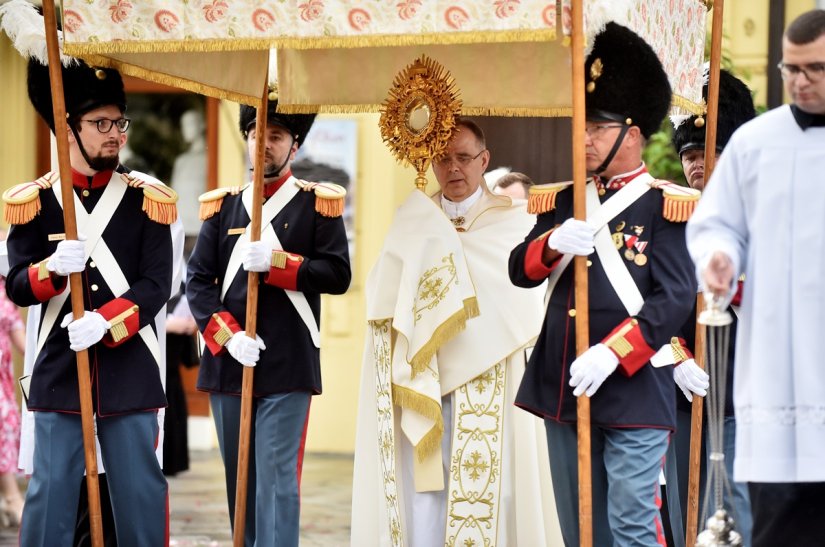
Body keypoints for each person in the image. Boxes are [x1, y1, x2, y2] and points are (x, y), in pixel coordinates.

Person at [509, 22, 698, 546]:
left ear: (631, 134)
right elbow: (519, 272)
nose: (584, 138)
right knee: (580, 530)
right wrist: (551, 247)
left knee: (632, 526)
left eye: (597, 128)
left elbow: (675, 296)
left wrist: (614, 353)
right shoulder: (566, 199)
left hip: (635, 388)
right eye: (582, 126)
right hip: (565, 385)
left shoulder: (666, 205)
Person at [351, 119, 560, 546]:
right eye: (443, 159)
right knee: (423, 492)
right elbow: (383, 300)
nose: (453, 168)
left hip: (495, 379)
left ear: (484, 160)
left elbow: (526, 306)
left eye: (464, 157)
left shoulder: (516, 225)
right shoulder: (412, 222)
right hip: (423, 379)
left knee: (496, 491)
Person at [3, 58, 179, 545]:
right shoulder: (34, 202)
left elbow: (155, 286)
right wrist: (51, 269)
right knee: (50, 497)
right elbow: (17, 283)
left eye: (119, 121)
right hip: (60, 370)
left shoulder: (150, 200)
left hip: (130, 370)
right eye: (100, 123)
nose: (115, 134)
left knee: (140, 498)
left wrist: (105, 322)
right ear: (69, 128)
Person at [686, 10, 825, 546]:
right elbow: (717, 223)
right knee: (777, 523)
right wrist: (719, 255)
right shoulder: (754, 143)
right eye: (791, 68)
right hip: (779, 365)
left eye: (813, 68)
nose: (799, 80)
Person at [186, 99, 351, 547]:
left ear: (294, 146)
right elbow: (198, 282)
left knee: (276, 478)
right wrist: (227, 335)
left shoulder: (319, 206)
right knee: (239, 480)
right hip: (229, 361)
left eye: (276, 135)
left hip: (287, 362)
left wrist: (278, 263)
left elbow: (337, 275)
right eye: (257, 132)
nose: (264, 143)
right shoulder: (223, 209)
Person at [664, 68, 756, 547]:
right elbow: (648, 304)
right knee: (683, 511)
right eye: (690, 155)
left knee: (733, 511)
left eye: (708, 153)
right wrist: (677, 361)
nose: (697, 165)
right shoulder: (669, 216)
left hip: (744, 386)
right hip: (682, 388)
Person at [0, 230, 26, 527]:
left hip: (2, 379)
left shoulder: (6, 291)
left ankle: (11, 498)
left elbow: (20, 339)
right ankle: (10, 499)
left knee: (6, 426)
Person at [171, 108, 208, 238]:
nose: (186, 129)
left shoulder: (209, 159)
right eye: (183, 125)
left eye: (190, 123)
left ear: (202, 124)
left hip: (201, 228)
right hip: (181, 229)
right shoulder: (181, 161)